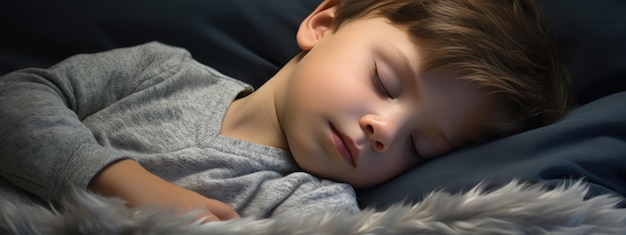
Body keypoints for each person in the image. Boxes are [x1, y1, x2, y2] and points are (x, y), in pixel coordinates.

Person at [0, 0, 573, 222]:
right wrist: (120, 182)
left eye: (421, 146)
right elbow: (15, 97)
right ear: (323, 26)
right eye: (385, 80)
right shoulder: (163, 71)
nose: (384, 129)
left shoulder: (313, 205)